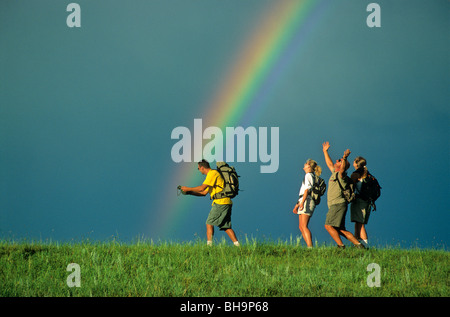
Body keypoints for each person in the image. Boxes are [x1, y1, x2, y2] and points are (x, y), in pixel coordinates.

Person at [180, 160, 240, 247]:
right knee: (226, 226)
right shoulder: (213, 175)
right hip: (225, 202)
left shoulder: (212, 174)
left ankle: (209, 247)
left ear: (202, 168)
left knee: (209, 223)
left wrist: (188, 188)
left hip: (220, 202)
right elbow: (204, 193)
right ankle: (238, 246)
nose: (199, 170)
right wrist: (189, 193)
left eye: (198, 169)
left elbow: (201, 188)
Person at [322, 142, 365, 249]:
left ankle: (341, 246)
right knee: (340, 230)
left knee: (328, 226)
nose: (337, 161)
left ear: (343, 166)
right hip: (338, 205)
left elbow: (342, 169)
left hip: (337, 205)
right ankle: (359, 246)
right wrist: (325, 151)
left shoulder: (342, 175)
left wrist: (344, 158)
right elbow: (329, 163)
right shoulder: (334, 173)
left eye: (339, 161)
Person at [292, 159, 322, 248]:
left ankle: (310, 247)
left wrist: (302, 203)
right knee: (301, 226)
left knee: (304, 226)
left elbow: (306, 190)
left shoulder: (308, 175)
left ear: (309, 166)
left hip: (307, 200)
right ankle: (309, 246)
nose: (304, 165)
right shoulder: (309, 175)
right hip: (304, 200)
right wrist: (298, 204)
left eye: (306, 164)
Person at [350, 156, 371, 247]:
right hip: (367, 201)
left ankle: (364, 245)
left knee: (360, 224)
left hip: (359, 200)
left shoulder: (357, 173)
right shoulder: (367, 173)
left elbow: (350, 184)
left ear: (357, 163)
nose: (353, 162)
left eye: (354, 161)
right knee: (358, 223)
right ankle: (358, 245)